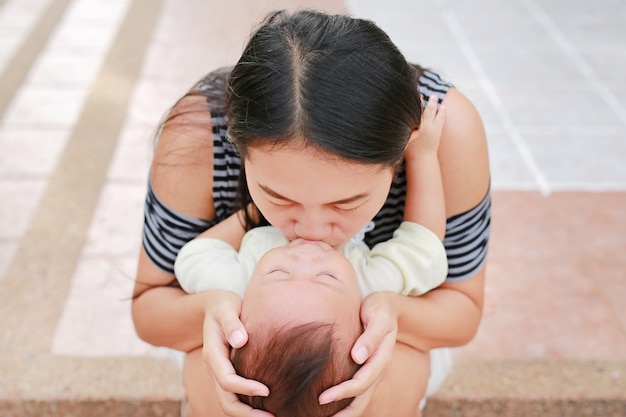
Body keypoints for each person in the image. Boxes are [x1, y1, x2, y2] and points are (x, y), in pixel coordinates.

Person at [132, 9, 491, 417]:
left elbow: (461, 311)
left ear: (401, 152)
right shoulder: (200, 131)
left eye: (346, 203)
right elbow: (150, 313)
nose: (312, 232)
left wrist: (391, 313)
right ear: (238, 141)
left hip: (406, 335)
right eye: (278, 197)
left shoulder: (439, 129)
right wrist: (213, 310)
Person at [172, 98, 448, 417]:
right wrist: (424, 158)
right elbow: (423, 245)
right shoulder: (369, 288)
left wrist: (259, 210)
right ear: (362, 328)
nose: (306, 257)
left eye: (278, 273)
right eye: (326, 277)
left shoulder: (239, 285)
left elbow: (194, 257)